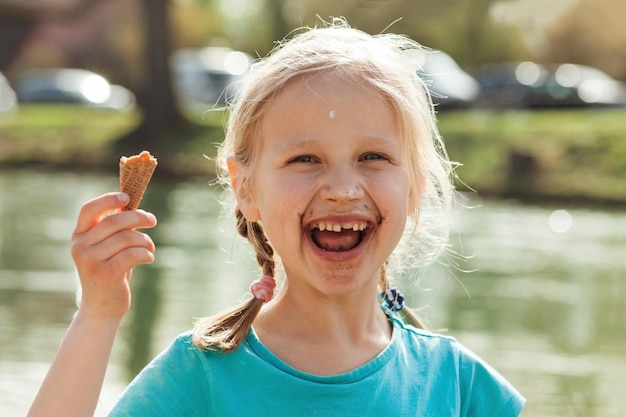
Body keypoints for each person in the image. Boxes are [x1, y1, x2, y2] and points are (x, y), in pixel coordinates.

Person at [27, 18, 525, 417]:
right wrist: (97, 315)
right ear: (247, 189)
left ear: (415, 185)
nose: (344, 189)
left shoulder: (458, 387)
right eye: (304, 160)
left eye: (374, 157)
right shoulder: (200, 380)